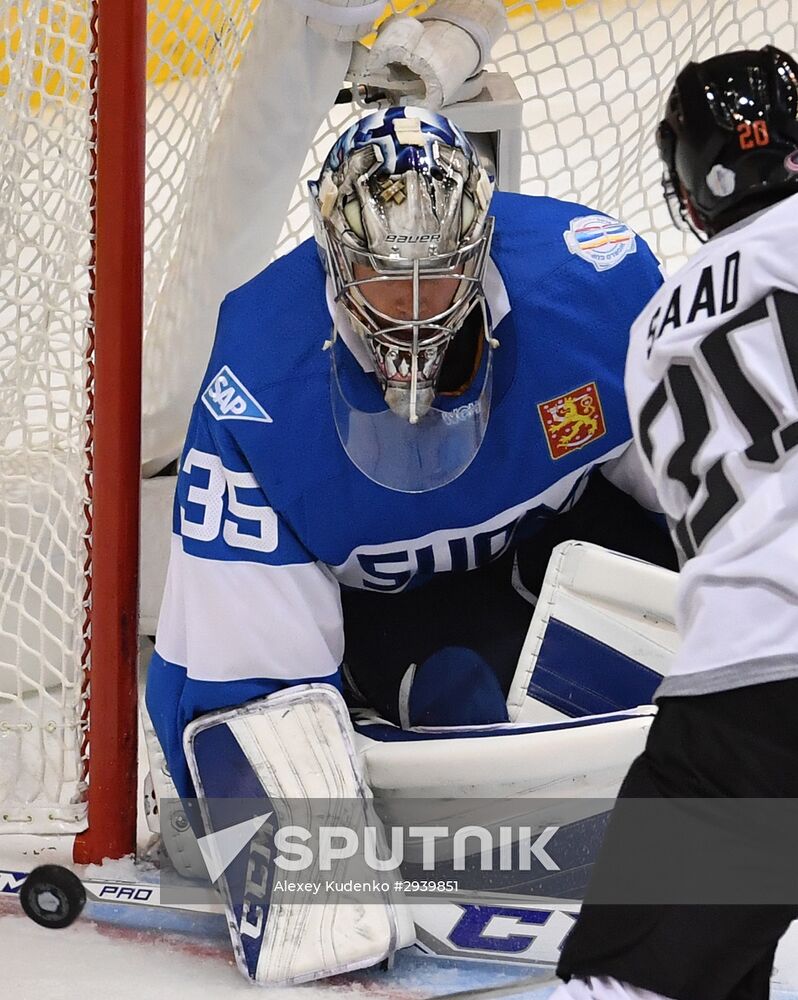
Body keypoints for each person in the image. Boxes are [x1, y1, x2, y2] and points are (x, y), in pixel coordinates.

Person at [144, 105, 674, 984]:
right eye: (391, 281)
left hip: (554, 543)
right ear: (335, 264)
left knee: (690, 658)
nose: (420, 310)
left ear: (484, 247)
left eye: (442, 274)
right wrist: (266, 838)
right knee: (465, 724)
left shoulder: (595, 285)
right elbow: (235, 657)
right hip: (395, 612)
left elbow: (721, 500)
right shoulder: (260, 380)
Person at [552, 45, 798, 1000]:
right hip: (755, 695)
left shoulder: (650, 333)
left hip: (734, 691)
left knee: (629, 981)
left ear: (691, 192)